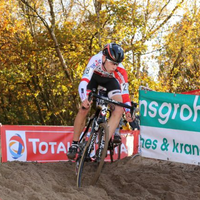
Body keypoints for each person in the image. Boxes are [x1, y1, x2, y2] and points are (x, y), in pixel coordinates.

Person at [67, 43, 134, 159]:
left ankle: (103, 144)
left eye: (117, 64)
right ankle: (74, 143)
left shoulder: (121, 71)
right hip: (94, 78)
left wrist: (127, 111)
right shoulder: (95, 60)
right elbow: (84, 82)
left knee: (119, 110)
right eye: (112, 63)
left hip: (110, 82)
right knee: (84, 108)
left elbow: (125, 95)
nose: (115, 67)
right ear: (104, 58)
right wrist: (84, 99)